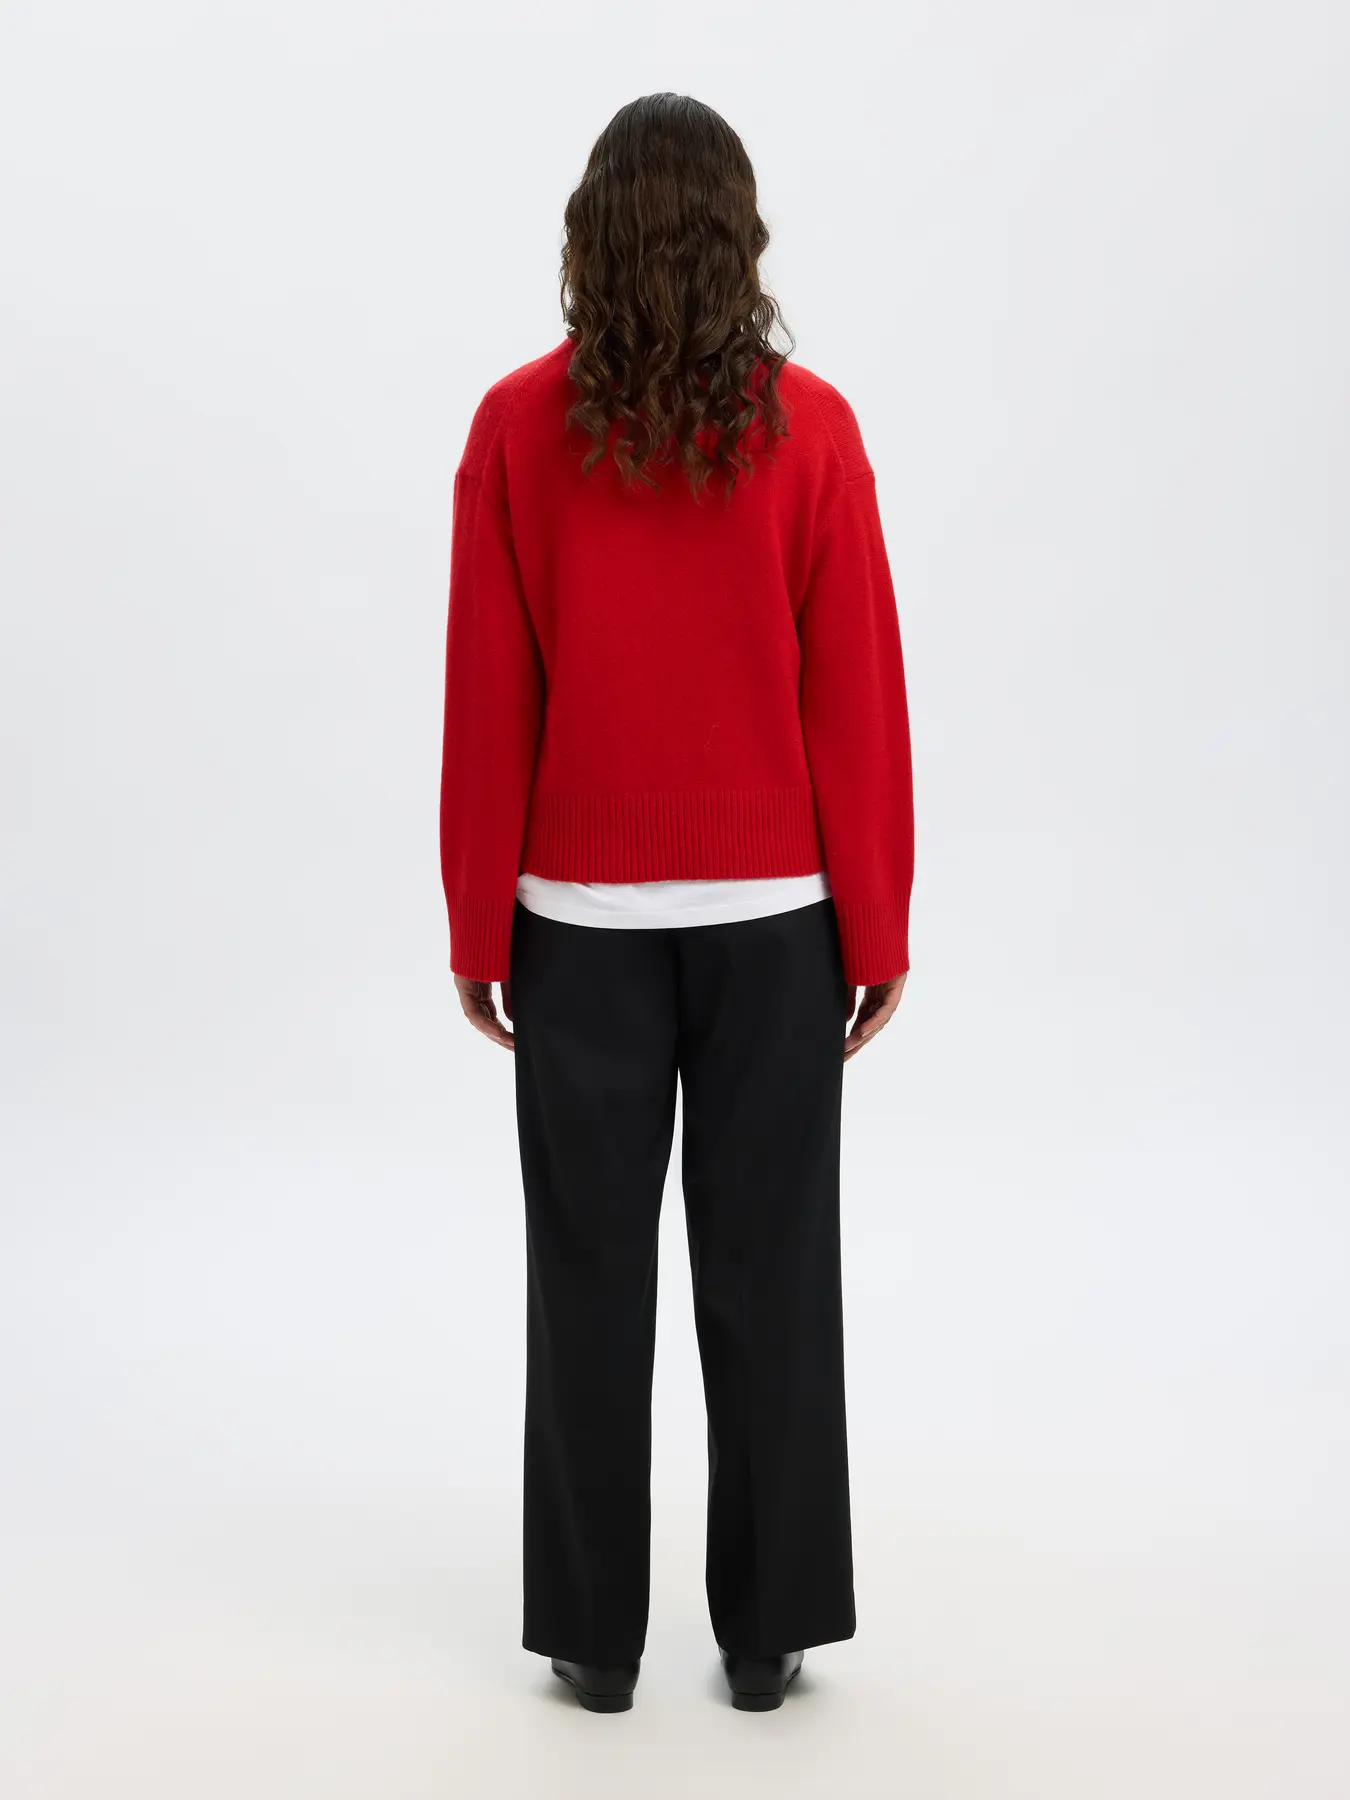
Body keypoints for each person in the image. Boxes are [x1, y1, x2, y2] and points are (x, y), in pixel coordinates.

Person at [438, 92, 914, 1714]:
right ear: (737, 235)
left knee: (584, 1274)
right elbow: (854, 695)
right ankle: (767, 1634)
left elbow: (488, 696)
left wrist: (477, 921)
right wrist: (875, 923)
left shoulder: (517, 427)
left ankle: (590, 1637)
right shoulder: (812, 428)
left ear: (589, 234)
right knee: (771, 1270)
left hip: (575, 920)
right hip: (778, 923)